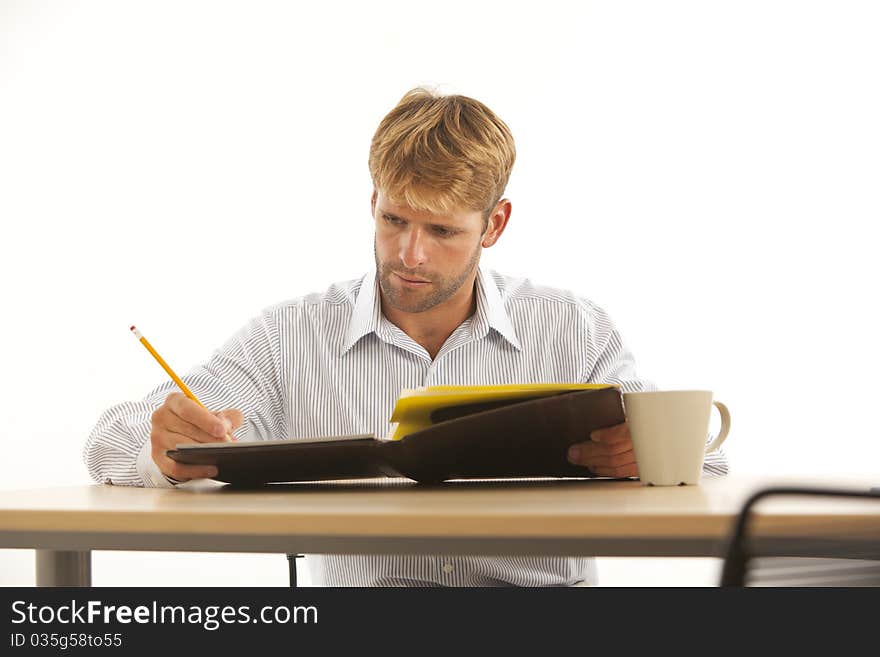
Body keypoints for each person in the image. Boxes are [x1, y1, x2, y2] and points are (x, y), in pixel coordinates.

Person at [85, 87, 727, 586]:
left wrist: (655, 455)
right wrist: (164, 447)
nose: (409, 254)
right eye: (394, 219)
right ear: (372, 203)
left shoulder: (572, 327)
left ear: (494, 224)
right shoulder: (291, 336)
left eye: (443, 231)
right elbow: (110, 440)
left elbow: (709, 459)